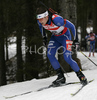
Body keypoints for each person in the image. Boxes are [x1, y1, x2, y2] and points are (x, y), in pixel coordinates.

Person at [36, 7, 87, 86]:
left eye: (41, 19)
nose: (40, 21)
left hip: (66, 37)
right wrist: (44, 38)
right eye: (38, 19)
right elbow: (41, 28)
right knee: (50, 55)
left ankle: (81, 76)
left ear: (46, 17)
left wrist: (76, 40)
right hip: (55, 38)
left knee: (67, 57)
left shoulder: (57, 20)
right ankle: (61, 77)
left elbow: (72, 26)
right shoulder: (40, 22)